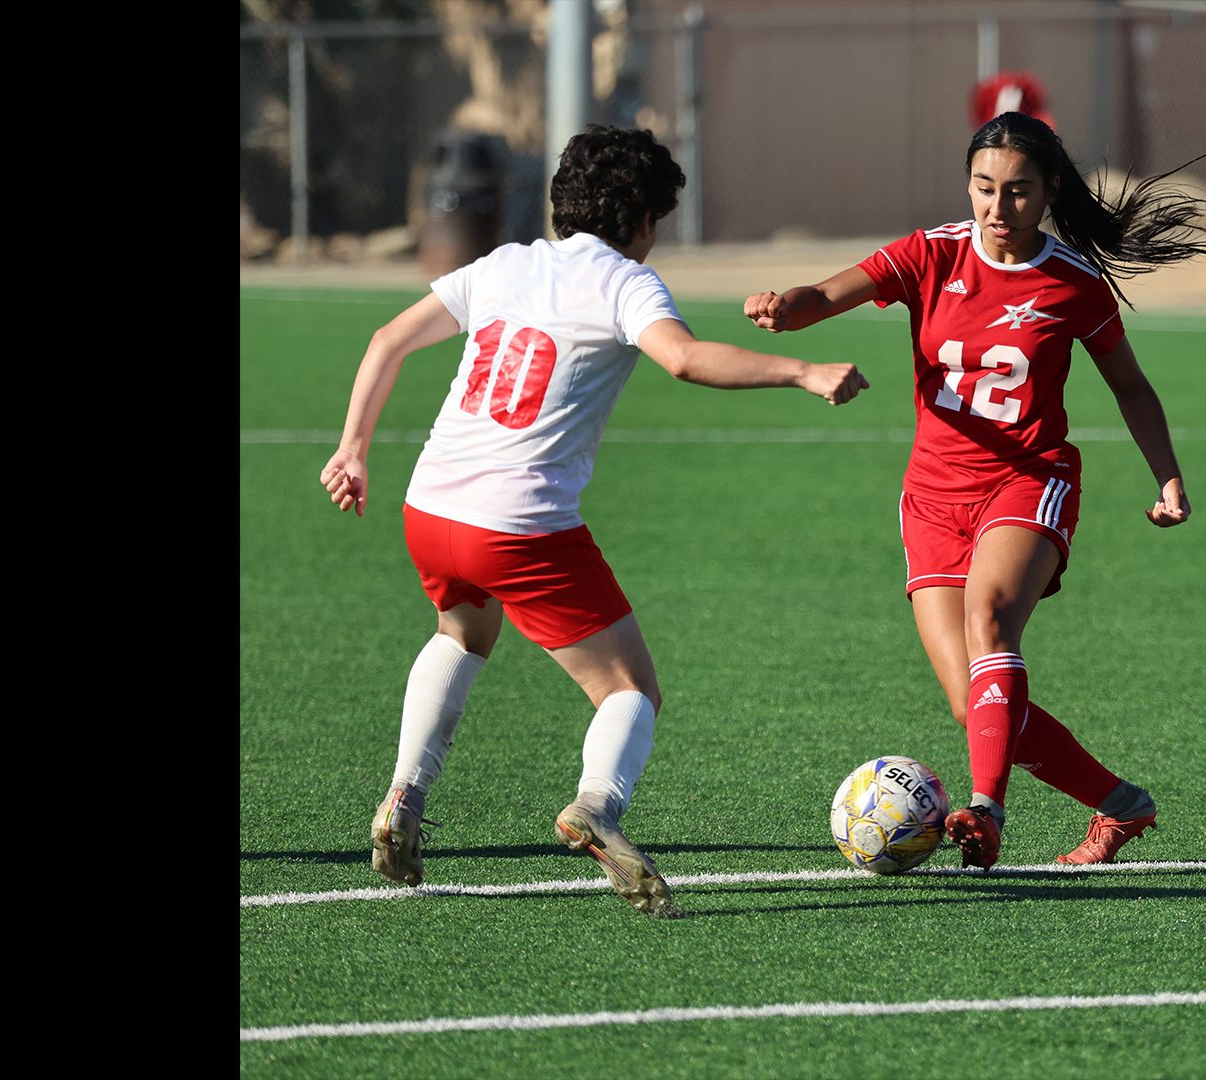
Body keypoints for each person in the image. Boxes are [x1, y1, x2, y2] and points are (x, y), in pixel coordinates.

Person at [321, 126, 869, 918]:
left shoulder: (507, 263)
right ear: (644, 220)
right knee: (629, 689)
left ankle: (402, 796)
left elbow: (387, 340)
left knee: (463, 636)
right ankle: (597, 807)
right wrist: (803, 370)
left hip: (431, 506)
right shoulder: (623, 283)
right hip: (518, 525)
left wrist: (353, 450)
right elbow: (682, 359)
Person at [743, 112, 1206, 871]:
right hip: (932, 497)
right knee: (975, 705)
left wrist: (1168, 475)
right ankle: (1123, 804)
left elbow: (1130, 387)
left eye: (1019, 192)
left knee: (990, 621)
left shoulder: (1074, 284)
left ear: (1050, 192)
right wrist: (783, 309)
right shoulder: (929, 255)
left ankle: (987, 810)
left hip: (1030, 478)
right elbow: (826, 295)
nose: (999, 208)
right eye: (984, 188)